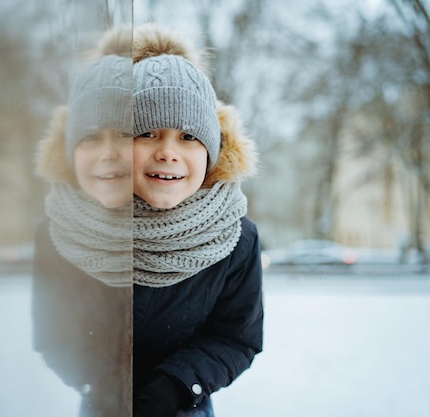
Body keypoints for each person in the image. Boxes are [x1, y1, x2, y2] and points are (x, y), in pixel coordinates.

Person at [131, 24, 264, 417]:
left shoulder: (235, 238)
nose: (168, 152)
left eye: (189, 136)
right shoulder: (84, 226)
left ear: (212, 151)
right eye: (148, 133)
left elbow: (236, 337)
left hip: (180, 403)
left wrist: (176, 383)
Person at [32, 29, 134, 417]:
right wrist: (103, 383)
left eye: (124, 135)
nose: (107, 153)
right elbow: (53, 331)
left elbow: (233, 334)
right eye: (90, 138)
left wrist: (178, 385)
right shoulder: (55, 233)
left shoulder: (218, 235)